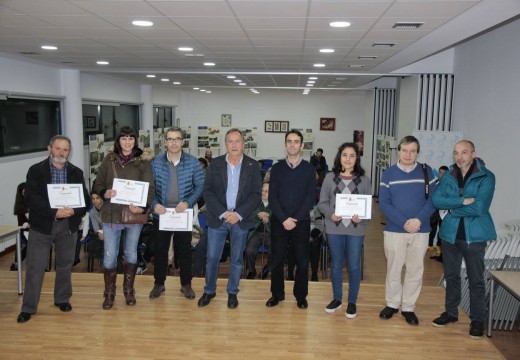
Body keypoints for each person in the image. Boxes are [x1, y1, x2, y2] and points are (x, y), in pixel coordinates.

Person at [17, 135, 89, 323]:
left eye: (65, 150)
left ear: (69, 152)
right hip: (42, 226)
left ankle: (62, 299)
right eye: (58, 148)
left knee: (65, 265)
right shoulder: (36, 171)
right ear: (49, 149)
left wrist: (75, 210)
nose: (61, 153)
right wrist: (54, 212)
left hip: (68, 227)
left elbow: (85, 200)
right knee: (35, 267)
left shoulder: (76, 172)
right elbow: (31, 198)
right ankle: (28, 307)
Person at [431, 140, 496, 339]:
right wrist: (461, 201)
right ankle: (451, 313)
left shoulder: (486, 176)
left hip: (474, 237)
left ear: (473, 154)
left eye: (464, 152)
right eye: (456, 153)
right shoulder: (449, 175)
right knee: (452, 277)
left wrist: (452, 209)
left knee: (476, 280)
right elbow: (436, 200)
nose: (459, 157)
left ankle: (477, 320)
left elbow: (479, 208)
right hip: (449, 235)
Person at [197, 128, 261, 309]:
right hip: (219, 218)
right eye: (230, 141)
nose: (234, 145)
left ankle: (232, 292)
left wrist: (238, 214)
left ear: (243, 144)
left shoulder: (253, 166)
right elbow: (207, 192)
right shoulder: (215, 164)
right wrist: (224, 213)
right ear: (225, 144)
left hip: (241, 219)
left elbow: (256, 194)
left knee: (237, 259)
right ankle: (209, 291)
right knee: (212, 258)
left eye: (237, 141)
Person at [93, 126, 154, 310]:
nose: (127, 142)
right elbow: (97, 184)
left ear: (135, 141)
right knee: (110, 255)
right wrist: (105, 192)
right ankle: (109, 294)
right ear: (118, 141)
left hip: (133, 215)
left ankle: (129, 290)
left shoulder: (143, 162)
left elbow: (150, 188)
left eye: (131, 138)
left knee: (131, 253)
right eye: (124, 138)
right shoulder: (108, 160)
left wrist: (142, 207)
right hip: (111, 214)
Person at [378, 135, 436, 326]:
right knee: (393, 269)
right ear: (399, 151)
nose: (408, 154)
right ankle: (392, 304)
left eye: (412, 150)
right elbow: (384, 204)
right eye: (404, 150)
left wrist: (418, 220)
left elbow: (433, 200)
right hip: (395, 230)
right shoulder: (388, 174)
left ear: (417, 152)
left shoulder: (428, 173)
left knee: (415, 270)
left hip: (420, 230)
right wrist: (405, 222)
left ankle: (408, 307)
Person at [148, 126, 205, 300]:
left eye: (177, 139)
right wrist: (154, 204)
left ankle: (186, 284)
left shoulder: (193, 162)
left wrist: (188, 202)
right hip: (162, 214)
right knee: (160, 250)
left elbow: (200, 186)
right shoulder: (155, 162)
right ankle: (159, 284)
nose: (174, 142)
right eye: (170, 139)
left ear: (183, 141)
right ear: (165, 142)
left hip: (182, 214)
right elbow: (149, 188)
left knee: (184, 251)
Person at [317, 142, 372, 318]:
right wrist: (330, 214)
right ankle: (337, 298)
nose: (348, 159)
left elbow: (368, 209)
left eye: (352, 155)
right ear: (339, 157)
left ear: (357, 159)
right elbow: (322, 203)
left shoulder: (364, 180)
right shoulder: (329, 177)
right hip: (334, 228)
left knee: (354, 267)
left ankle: (352, 301)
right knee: (336, 265)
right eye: (345, 155)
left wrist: (361, 218)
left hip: (356, 230)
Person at [266, 130, 317, 309]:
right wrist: (283, 218)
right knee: (277, 261)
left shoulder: (309, 169)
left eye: (296, 142)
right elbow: (272, 198)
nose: (293, 144)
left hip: (301, 222)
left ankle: (301, 296)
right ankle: (277, 294)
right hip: (279, 222)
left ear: (302, 145)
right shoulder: (277, 169)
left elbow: (310, 198)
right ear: (285, 144)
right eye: (289, 141)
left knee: (302, 262)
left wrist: (294, 218)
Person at [245, 182, 271, 279]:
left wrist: (268, 215)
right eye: (262, 191)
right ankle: (251, 270)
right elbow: (249, 211)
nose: (263, 193)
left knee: (276, 251)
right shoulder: (255, 201)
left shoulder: (275, 202)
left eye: (266, 191)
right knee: (249, 251)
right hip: (255, 232)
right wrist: (259, 213)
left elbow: (277, 212)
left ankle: (267, 268)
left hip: (270, 233)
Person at [11, 182, 30, 271]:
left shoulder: (33, 202)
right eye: (24, 192)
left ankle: (41, 266)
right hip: (24, 230)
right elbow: (23, 224)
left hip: (33, 229)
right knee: (34, 242)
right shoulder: (20, 206)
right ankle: (16, 263)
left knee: (41, 239)